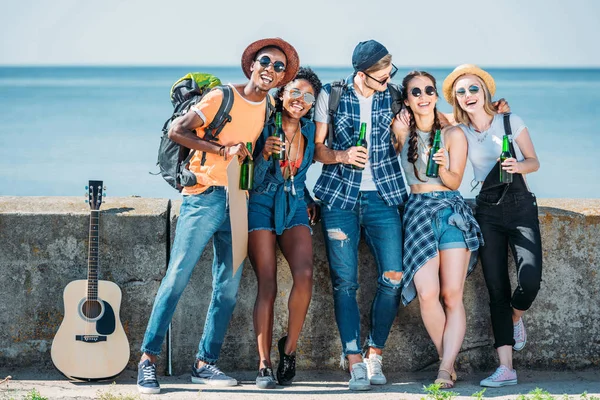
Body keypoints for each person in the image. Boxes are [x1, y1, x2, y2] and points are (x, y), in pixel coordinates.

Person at [136, 38, 300, 395]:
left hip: (239, 201)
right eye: (265, 62)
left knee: (226, 288)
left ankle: (204, 363)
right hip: (204, 196)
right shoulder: (222, 97)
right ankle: (148, 361)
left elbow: (249, 151)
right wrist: (219, 148)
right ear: (252, 65)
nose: (270, 70)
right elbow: (176, 131)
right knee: (177, 277)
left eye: (278, 68)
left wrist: (263, 149)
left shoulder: (270, 105)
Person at [312, 40, 407, 391]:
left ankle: (374, 353)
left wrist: (494, 111)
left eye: (390, 70)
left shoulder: (394, 95)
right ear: (361, 71)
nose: (388, 78)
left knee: (394, 276)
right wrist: (342, 155)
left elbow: (434, 117)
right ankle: (353, 360)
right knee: (345, 283)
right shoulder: (331, 95)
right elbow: (317, 150)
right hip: (339, 200)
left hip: (384, 198)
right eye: (382, 73)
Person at [442, 64, 542, 388]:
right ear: (456, 100)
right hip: (486, 213)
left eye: (473, 88)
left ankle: (514, 318)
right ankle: (506, 368)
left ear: (485, 91)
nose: (468, 95)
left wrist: (518, 164)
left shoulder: (511, 122)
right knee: (497, 289)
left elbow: (534, 161)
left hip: (521, 207)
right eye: (461, 91)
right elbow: (427, 120)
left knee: (530, 278)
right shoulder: (459, 131)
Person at [392, 71, 484, 389]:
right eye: (415, 92)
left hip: (450, 212)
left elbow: (455, 181)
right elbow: (386, 169)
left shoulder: (453, 133)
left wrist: (441, 164)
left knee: (451, 294)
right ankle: (449, 358)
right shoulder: (400, 129)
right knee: (427, 292)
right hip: (416, 211)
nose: (423, 96)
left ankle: (445, 368)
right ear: (406, 99)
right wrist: (400, 135)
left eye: (429, 90)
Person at [248, 66, 322, 389]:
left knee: (305, 275)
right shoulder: (264, 125)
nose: (301, 100)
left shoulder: (308, 131)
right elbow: (249, 176)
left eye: (308, 96)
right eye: (295, 92)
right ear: (282, 93)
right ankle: (263, 364)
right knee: (268, 284)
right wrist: (264, 154)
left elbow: (299, 176)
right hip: (261, 204)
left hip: (293, 206)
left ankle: (288, 350)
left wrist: (309, 198)